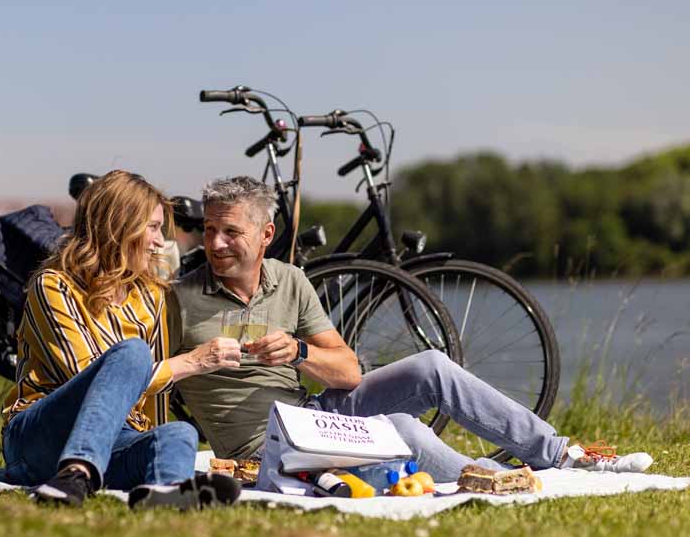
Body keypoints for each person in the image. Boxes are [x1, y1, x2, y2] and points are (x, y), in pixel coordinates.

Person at [168, 176, 652, 482]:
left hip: (314, 411)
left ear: (265, 236)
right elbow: (150, 375)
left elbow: (349, 371)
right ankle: (492, 478)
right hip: (268, 444)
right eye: (210, 230)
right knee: (399, 429)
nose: (216, 242)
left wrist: (298, 352)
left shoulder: (290, 281)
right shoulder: (181, 298)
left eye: (231, 231)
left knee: (432, 367)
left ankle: (563, 455)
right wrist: (196, 361)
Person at [1, 170, 240, 507]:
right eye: (153, 228)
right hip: (37, 440)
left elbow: (152, 402)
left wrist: (152, 436)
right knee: (132, 354)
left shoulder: (149, 297)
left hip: (114, 438)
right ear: (118, 227)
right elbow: (88, 377)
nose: (160, 242)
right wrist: (191, 362)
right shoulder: (54, 286)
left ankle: (167, 493)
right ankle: (75, 473)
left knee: (178, 433)